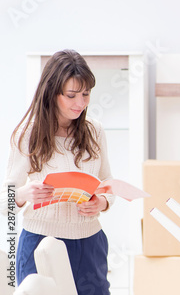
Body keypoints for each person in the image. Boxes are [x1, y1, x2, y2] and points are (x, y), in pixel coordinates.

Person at [0, 49, 114, 294]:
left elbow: (107, 180)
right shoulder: (27, 134)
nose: (81, 103)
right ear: (52, 93)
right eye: (72, 95)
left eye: (86, 94)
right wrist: (23, 194)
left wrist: (102, 202)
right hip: (40, 241)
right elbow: (4, 198)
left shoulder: (95, 130)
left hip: (89, 242)